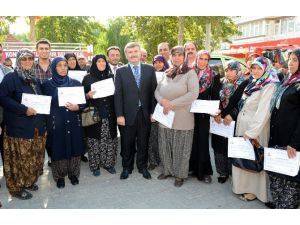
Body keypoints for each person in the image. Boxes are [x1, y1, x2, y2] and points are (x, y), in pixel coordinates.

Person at [0, 49, 47, 200]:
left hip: (34, 127)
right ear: (18, 61)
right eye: (24, 59)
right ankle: (16, 188)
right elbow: (3, 98)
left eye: (30, 58)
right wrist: (23, 109)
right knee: (17, 160)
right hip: (18, 128)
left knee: (30, 158)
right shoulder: (10, 78)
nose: (27, 61)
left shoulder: (34, 79)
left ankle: (27, 181)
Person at [232, 56, 279, 202]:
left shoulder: (269, 85)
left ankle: (254, 191)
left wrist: (252, 132)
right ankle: (242, 186)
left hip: (255, 128)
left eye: (259, 68)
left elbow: (264, 111)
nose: (256, 71)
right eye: (253, 67)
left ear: (266, 69)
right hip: (244, 125)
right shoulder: (254, 82)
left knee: (254, 159)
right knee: (244, 157)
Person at [155, 46, 198, 187]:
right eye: (174, 55)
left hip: (182, 117)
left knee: (181, 148)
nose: (177, 57)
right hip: (165, 117)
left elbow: (192, 94)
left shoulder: (190, 73)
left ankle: (180, 175)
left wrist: (171, 104)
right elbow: (157, 91)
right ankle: (167, 170)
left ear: (184, 56)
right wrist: (162, 101)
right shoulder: (166, 72)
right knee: (165, 145)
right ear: (171, 57)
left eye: (180, 55)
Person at [114, 42, 157, 180]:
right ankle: (127, 167)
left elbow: (153, 93)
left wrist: (153, 112)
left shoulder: (150, 69)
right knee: (127, 143)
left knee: (143, 142)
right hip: (127, 115)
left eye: (135, 51)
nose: (133, 54)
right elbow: (118, 95)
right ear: (126, 55)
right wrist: (119, 114)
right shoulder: (120, 71)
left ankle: (142, 167)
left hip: (145, 114)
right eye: (130, 52)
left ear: (140, 53)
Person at [42, 56, 85, 188]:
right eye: (59, 65)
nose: (63, 68)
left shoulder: (76, 83)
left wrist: (77, 107)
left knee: (74, 146)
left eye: (65, 65)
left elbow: (83, 103)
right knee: (58, 148)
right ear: (54, 68)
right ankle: (59, 176)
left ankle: (73, 174)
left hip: (73, 122)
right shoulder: (46, 85)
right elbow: (43, 106)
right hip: (56, 123)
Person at [268, 48, 300, 209]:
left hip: (291, 140)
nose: (291, 62)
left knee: (290, 179)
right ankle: (278, 203)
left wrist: (294, 142)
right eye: (290, 59)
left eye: (295, 59)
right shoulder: (288, 80)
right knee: (276, 173)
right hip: (277, 135)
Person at [82, 54, 118, 176]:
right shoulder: (87, 78)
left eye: (103, 61)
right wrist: (87, 96)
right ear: (94, 63)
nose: (101, 63)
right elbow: (80, 97)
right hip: (94, 115)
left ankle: (108, 164)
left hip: (109, 115)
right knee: (94, 141)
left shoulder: (111, 77)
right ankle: (95, 166)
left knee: (110, 140)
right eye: (99, 61)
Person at [189, 50, 221, 183]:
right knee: (191, 141)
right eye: (200, 58)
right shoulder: (189, 73)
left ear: (209, 61)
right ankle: (191, 168)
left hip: (204, 114)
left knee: (202, 141)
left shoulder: (214, 75)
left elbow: (215, 96)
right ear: (196, 59)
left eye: (206, 59)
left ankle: (204, 172)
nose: (203, 61)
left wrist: (215, 111)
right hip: (189, 112)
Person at [211, 60, 245, 183]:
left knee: (231, 146)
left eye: (231, 70)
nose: (228, 72)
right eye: (226, 70)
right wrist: (217, 113)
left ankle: (232, 172)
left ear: (238, 70)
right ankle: (222, 173)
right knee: (218, 145)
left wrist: (232, 115)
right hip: (219, 120)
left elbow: (244, 103)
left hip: (233, 121)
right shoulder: (221, 82)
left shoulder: (244, 83)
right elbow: (215, 99)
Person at [64, 53, 89, 163]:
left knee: (82, 132)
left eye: (73, 59)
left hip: (80, 105)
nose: (72, 62)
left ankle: (81, 153)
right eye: (69, 60)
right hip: (67, 105)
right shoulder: (62, 72)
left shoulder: (83, 73)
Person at [147, 55, 169, 171]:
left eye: (160, 62)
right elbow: (149, 95)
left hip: (166, 109)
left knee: (165, 136)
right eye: (155, 62)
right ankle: (153, 161)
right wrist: (151, 112)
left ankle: (164, 160)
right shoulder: (150, 75)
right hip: (154, 109)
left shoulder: (170, 73)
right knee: (153, 137)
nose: (158, 64)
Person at [34, 38, 53, 168]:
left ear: (50, 51)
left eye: (46, 49)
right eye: (41, 48)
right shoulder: (31, 66)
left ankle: (53, 158)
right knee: (38, 135)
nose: (44, 51)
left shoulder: (57, 65)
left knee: (53, 134)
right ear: (37, 51)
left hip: (54, 106)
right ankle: (38, 164)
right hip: (37, 108)